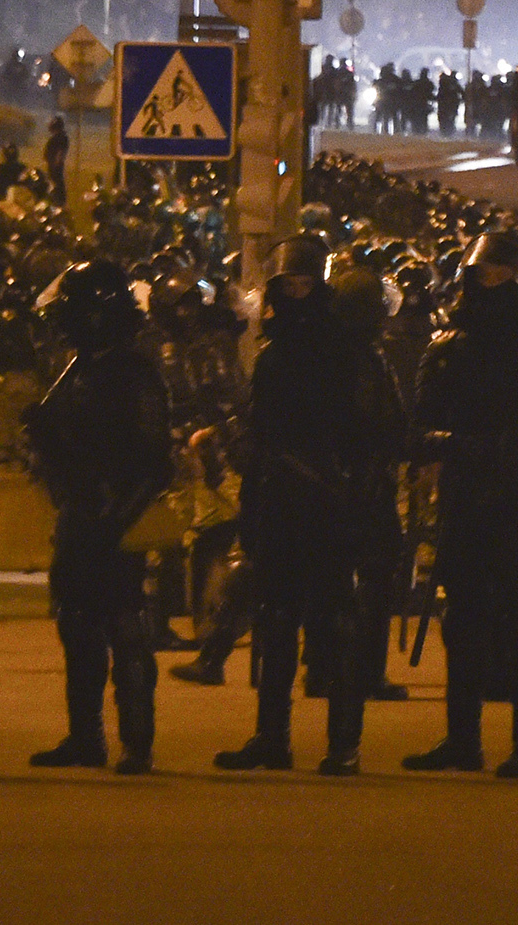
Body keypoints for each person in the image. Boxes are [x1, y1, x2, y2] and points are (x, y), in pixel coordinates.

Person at [215, 241, 408, 774]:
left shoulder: (348, 352)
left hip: (332, 501)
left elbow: (379, 433)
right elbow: (263, 434)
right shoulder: (276, 353)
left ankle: (344, 745)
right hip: (281, 499)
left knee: (335, 621)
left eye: (303, 283)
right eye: (287, 284)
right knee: (275, 620)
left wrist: (358, 498)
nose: (295, 293)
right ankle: (271, 737)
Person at [404, 230, 518, 778]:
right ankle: (463, 739)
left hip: (512, 489)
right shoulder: (448, 344)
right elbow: (420, 420)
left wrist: (478, 444)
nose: (492, 285)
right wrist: (442, 447)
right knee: (460, 618)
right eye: (485, 275)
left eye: (503, 275)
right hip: (461, 490)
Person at [25, 258, 175, 773]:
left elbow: (155, 462)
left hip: (115, 515)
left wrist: (115, 521)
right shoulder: (81, 367)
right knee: (77, 625)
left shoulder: (135, 372)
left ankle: (137, 741)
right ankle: (85, 736)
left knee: (125, 625)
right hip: (80, 510)